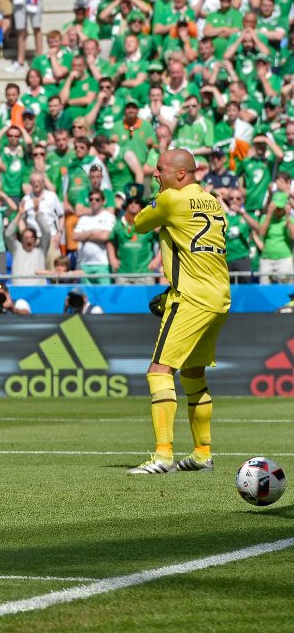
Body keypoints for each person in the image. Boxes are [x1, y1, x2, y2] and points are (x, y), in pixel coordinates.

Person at [129, 149, 230, 475]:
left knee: (158, 371)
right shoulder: (215, 203)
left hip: (191, 298)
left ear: (181, 174)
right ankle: (202, 454)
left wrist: (158, 201)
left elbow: (139, 223)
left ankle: (163, 456)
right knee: (192, 374)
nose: (155, 175)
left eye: (160, 170)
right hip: (219, 297)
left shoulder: (172, 200)